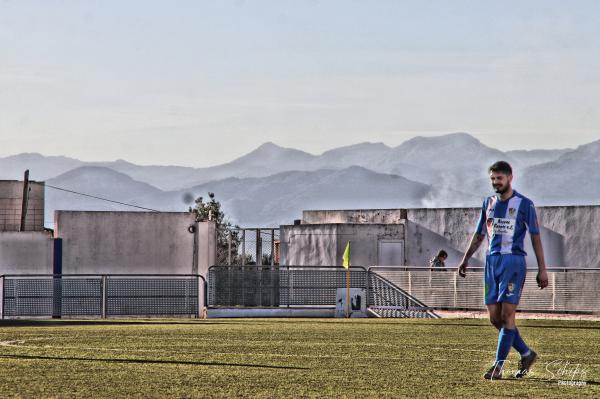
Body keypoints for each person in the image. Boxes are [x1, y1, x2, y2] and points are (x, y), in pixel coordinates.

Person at [457, 161, 548, 380]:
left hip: (513, 263)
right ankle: (526, 353)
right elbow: (480, 234)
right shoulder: (487, 203)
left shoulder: (524, 204)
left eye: (499, 178)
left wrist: (542, 269)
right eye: (492, 179)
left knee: (507, 315)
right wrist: (465, 258)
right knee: (495, 318)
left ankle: (498, 367)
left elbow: (535, 237)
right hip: (491, 262)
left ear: (509, 178)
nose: (495, 183)